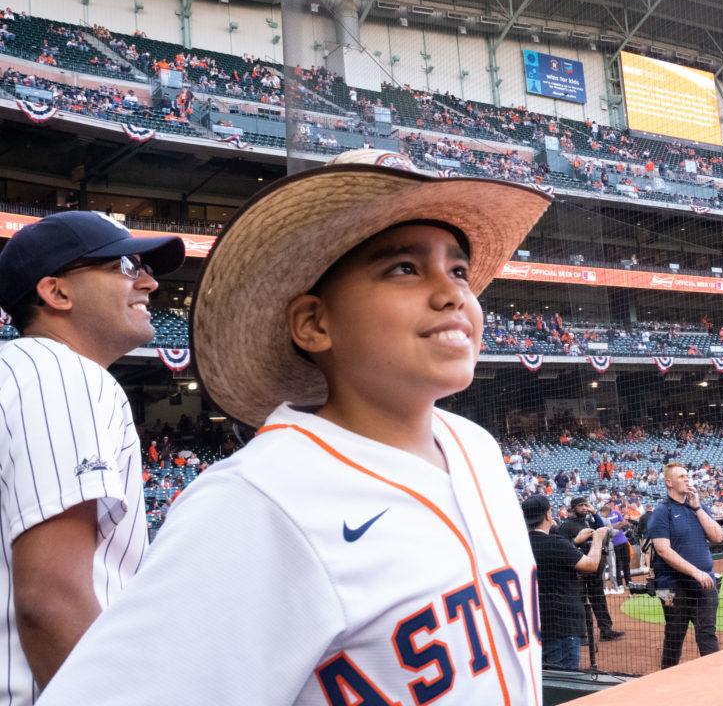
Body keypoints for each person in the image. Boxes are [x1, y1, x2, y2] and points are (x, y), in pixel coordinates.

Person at [35, 149, 553, 705]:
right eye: (403, 268)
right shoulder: (255, 499)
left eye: (458, 270)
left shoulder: (478, 446)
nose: (454, 293)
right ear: (313, 323)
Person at [0, 211, 183, 703]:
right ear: (56, 292)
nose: (148, 282)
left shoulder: (20, 372)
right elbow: (51, 598)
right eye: (124, 266)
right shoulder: (61, 374)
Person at [648, 463, 723, 668]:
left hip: (704, 583)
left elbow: (718, 536)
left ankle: (717, 678)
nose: (686, 479)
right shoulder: (661, 512)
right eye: (681, 476)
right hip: (669, 587)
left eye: (687, 476)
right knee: (674, 634)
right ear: (669, 482)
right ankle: (667, 677)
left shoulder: (698, 507)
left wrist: (697, 507)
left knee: (707, 634)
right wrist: (695, 572)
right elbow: (663, 550)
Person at [522, 494, 608, 669]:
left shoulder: (520, 544)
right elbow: (591, 564)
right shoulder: (555, 543)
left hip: (534, 623)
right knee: (565, 678)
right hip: (562, 624)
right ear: (548, 515)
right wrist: (598, 539)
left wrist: (574, 542)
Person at [557, 497, 625, 641]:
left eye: (585, 505)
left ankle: (606, 630)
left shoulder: (588, 521)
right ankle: (581, 635)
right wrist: (576, 542)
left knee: (599, 599)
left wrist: (594, 513)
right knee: (580, 602)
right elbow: (562, 547)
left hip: (594, 568)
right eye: (580, 505)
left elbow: (601, 529)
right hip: (577, 569)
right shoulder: (566, 525)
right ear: (573, 508)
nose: (584, 508)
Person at [600, 503, 630, 593]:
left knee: (626, 563)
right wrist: (615, 525)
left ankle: (629, 582)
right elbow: (609, 529)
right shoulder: (602, 517)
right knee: (616, 565)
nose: (608, 507)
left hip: (623, 541)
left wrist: (613, 526)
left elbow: (623, 522)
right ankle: (619, 584)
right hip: (613, 543)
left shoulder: (615, 512)